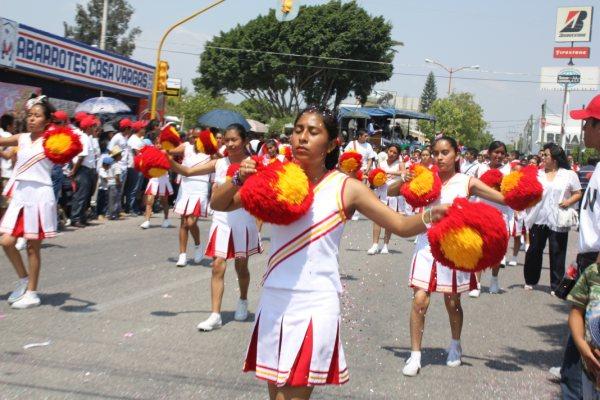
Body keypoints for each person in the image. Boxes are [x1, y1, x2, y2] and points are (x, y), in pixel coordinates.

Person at [206, 106, 447, 400]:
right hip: (274, 300)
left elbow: (399, 224)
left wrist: (430, 217)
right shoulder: (274, 177)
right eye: (297, 130)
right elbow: (220, 204)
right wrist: (237, 179)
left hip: (315, 302)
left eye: (313, 131)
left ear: (332, 144)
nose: (301, 138)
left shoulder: (347, 188)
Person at [402, 136, 505, 376]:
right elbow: (394, 189)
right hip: (425, 244)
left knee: (452, 301)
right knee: (419, 300)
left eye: (445, 152)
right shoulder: (425, 177)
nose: (440, 157)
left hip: (453, 248)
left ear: (456, 154)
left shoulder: (467, 181)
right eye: (436, 152)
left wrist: (521, 193)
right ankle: (415, 355)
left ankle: (455, 345)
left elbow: (501, 198)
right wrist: (403, 179)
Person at [168, 123, 262, 332]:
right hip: (221, 220)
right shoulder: (219, 163)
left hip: (242, 220)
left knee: (241, 266)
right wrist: (165, 158)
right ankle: (215, 315)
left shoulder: (253, 165)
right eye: (226, 140)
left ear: (244, 141)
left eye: (234, 140)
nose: (229, 144)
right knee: (217, 265)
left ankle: (243, 301)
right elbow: (188, 171)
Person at [559, 94, 600, 400]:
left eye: (587, 122)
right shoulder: (596, 166)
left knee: (587, 351)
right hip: (589, 261)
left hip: (597, 267)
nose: (583, 129)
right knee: (577, 350)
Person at [0, 97, 58, 309]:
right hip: (21, 194)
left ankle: (32, 293)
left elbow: (70, 150)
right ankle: (24, 280)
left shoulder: (53, 141)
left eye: (37, 116)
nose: (32, 119)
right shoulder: (22, 137)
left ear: (46, 120)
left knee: (33, 248)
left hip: (40, 195)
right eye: (30, 115)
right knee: (6, 241)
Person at [523, 143, 582, 294]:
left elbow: (578, 192)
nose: (543, 157)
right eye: (542, 155)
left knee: (558, 252)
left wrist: (568, 202)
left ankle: (556, 285)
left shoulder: (569, 174)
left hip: (558, 219)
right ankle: (530, 280)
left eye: (546, 155)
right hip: (539, 218)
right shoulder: (537, 173)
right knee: (534, 250)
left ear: (555, 158)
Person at [471, 141, 512, 296]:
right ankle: (477, 283)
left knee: (496, 251)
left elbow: (512, 193)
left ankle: (494, 279)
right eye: (496, 152)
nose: (498, 155)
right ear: (489, 153)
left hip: (500, 214)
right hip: (481, 212)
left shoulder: (509, 171)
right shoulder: (480, 168)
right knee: (478, 249)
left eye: (502, 153)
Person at [169, 130, 211, 267]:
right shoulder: (186, 147)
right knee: (184, 223)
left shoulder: (209, 151)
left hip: (200, 187)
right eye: (191, 136)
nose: (193, 139)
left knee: (191, 222)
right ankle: (182, 255)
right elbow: (171, 151)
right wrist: (163, 148)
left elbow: (221, 159)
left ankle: (198, 245)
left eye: (196, 137)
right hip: (186, 186)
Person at [367, 144, 406, 255]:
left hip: (393, 196)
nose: (392, 154)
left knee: (389, 221)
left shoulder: (400, 164)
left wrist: (389, 173)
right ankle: (375, 244)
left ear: (398, 154)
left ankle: (385, 245)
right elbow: (375, 175)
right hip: (381, 194)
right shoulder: (381, 163)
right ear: (387, 151)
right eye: (390, 151)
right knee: (377, 219)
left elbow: (404, 173)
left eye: (395, 152)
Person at [70, 116, 98, 227]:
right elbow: (81, 157)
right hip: (83, 170)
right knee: (81, 195)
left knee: (86, 195)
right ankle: (75, 218)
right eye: (93, 126)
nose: (94, 128)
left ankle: (82, 217)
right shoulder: (83, 138)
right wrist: (74, 170)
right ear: (88, 127)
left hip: (89, 169)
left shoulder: (88, 137)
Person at [140, 144, 173, 229]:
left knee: (164, 201)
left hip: (163, 179)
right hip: (154, 179)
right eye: (157, 143)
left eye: (160, 143)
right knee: (149, 201)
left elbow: (170, 164)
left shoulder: (166, 153)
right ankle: (147, 221)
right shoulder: (151, 152)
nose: (158, 145)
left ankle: (166, 219)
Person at [125, 121, 146, 215]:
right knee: (133, 188)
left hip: (140, 167)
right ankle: (130, 208)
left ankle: (134, 207)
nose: (145, 130)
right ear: (139, 129)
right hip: (134, 167)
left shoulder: (140, 139)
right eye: (143, 128)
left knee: (137, 188)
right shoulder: (134, 139)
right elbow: (137, 154)